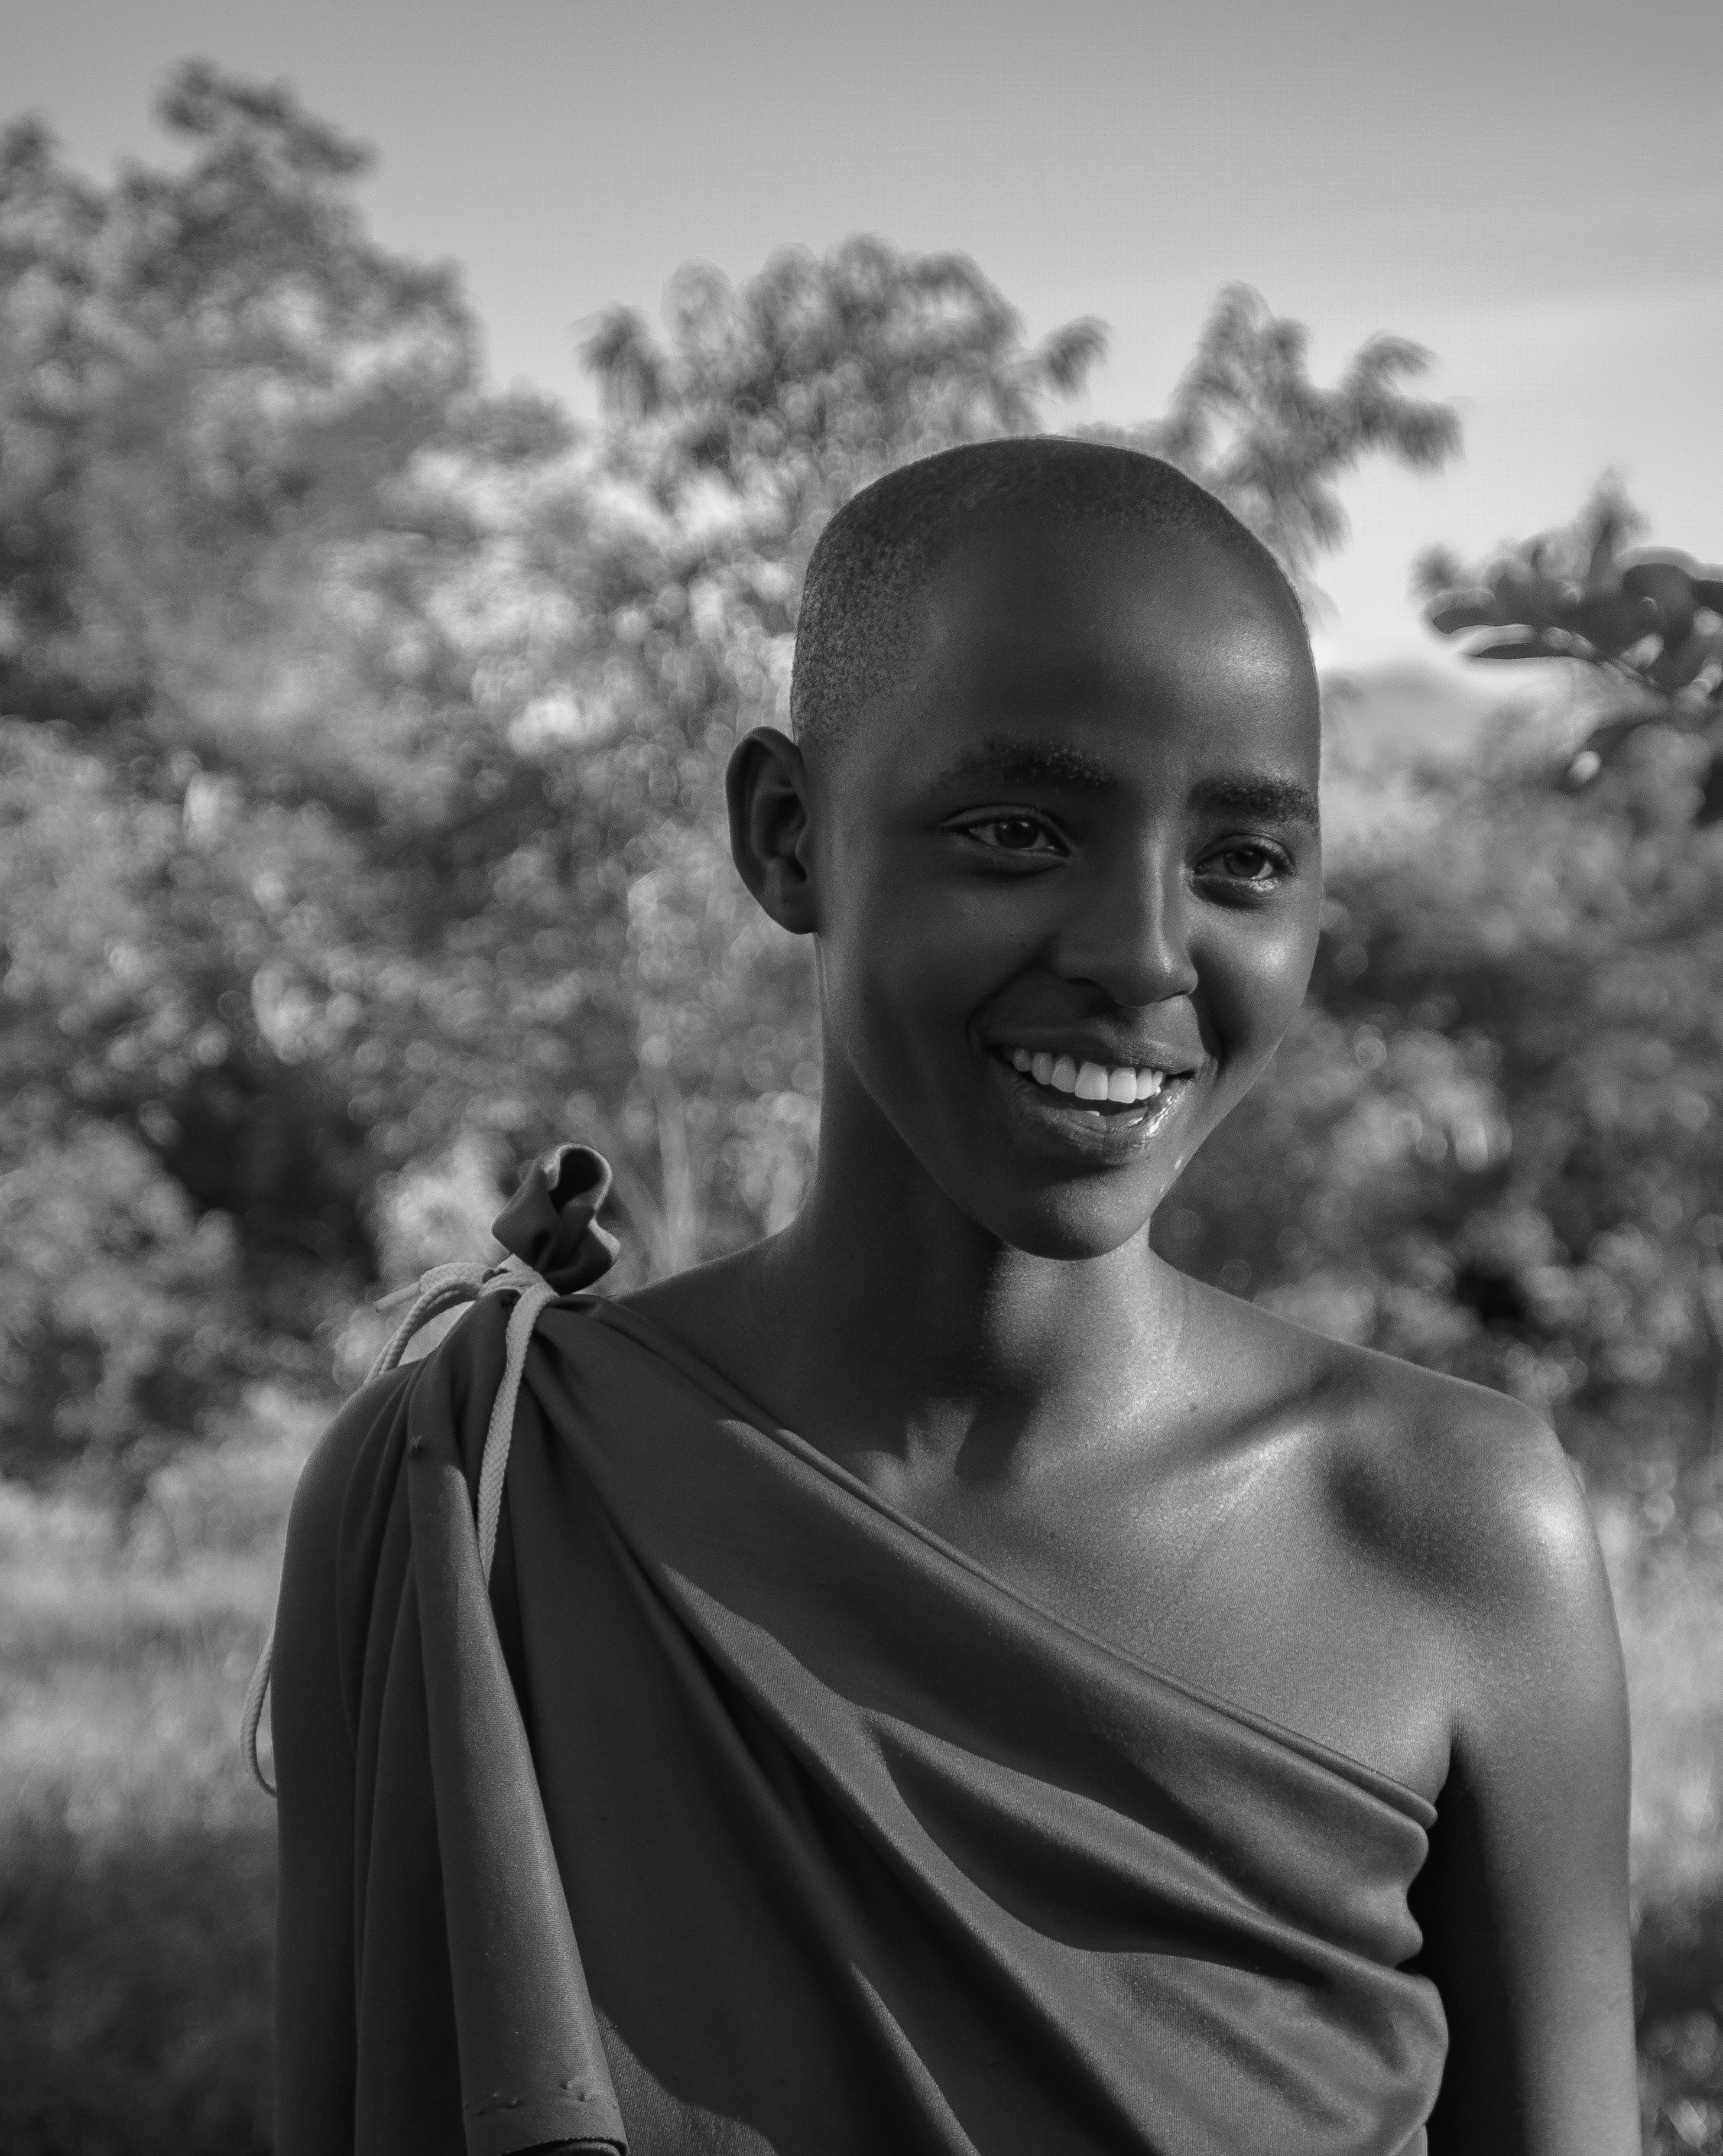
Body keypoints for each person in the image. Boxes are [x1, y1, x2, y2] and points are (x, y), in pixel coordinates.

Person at [265, 437, 1637, 2155]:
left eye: (1243, 862)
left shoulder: (1451, 1534)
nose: (1144, 953)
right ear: (789, 839)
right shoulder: (471, 1490)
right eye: (1018, 833)